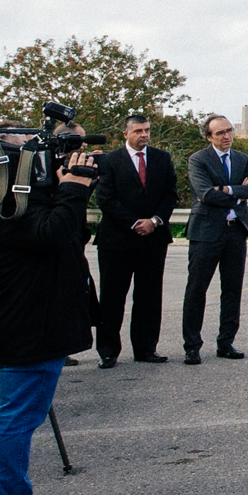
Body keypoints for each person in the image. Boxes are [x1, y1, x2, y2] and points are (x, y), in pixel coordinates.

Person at [0, 123, 97, 495]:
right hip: (31, 324)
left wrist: (59, 190)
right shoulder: (10, 206)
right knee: (15, 418)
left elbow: (59, 231)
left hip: (0, 322)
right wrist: (73, 187)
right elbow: (53, 234)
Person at [93, 114, 177, 367]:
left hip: (153, 238)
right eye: (139, 130)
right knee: (112, 297)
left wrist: (154, 221)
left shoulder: (162, 159)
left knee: (149, 296)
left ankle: (146, 348)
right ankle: (108, 351)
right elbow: (106, 199)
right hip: (117, 239)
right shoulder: (109, 161)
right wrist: (133, 223)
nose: (144, 135)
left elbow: (170, 195)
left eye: (147, 130)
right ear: (126, 134)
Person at [183, 114, 248, 365]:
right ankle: (192, 346)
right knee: (197, 289)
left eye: (229, 131)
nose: (226, 136)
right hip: (206, 232)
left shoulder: (241, 159)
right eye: (220, 133)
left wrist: (225, 189)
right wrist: (238, 192)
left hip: (235, 230)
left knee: (232, 289)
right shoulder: (198, 159)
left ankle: (226, 342)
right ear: (208, 137)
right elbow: (205, 193)